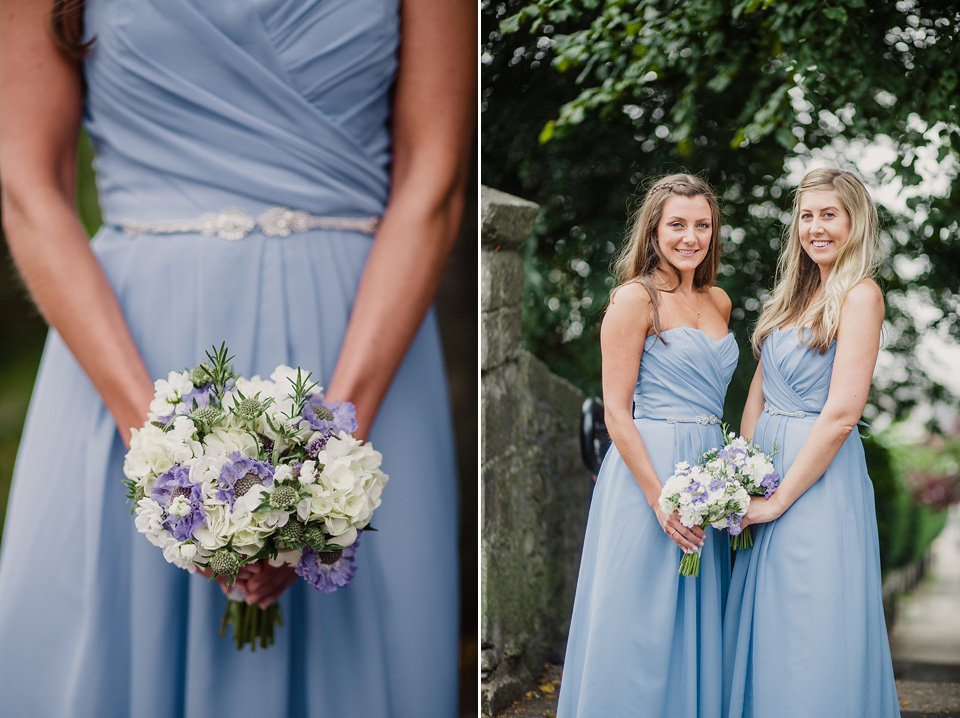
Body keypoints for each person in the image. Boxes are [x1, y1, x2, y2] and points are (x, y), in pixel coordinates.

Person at [0, 0, 473, 715]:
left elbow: (432, 185)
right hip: (126, 355)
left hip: (365, 342)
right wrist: (162, 457)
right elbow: (29, 186)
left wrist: (328, 462)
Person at [557, 174, 737, 717]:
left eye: (701, 225)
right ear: (653, 231)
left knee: (698, 612)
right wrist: (659, 496)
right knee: (639, 619)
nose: (690, 237)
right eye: (677, 225)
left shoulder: (719, 301)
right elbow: (616, 411)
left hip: (708, 471)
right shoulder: (635, 299)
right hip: (648, 470)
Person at [722, 168, 900, 717]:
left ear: (854, 221)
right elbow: (757, 391)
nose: (816, 227)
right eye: (807, 215)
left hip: (816, 479)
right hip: (766, 468)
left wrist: (777, 499)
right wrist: (741, 474)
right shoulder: (793, 296)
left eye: (829, 215)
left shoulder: (861, 295)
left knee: (810, 618)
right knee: (766, 616)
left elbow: (844, 414)